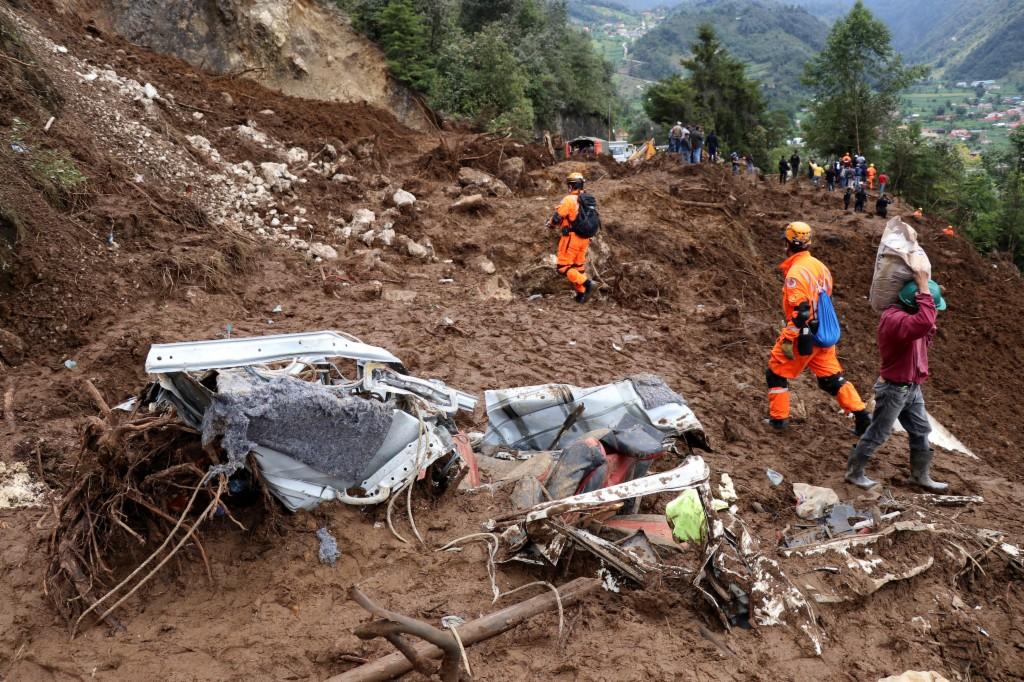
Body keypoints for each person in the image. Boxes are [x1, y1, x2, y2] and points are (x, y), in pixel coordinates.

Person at [845, 271, 949, 490]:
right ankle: (854, 472)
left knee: (921, 431)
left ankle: (920, 475)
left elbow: (924, 328)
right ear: (914, 304)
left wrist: (927, 302)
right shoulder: (895, 320)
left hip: (912, 387)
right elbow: (924, 321)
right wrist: (923, 288)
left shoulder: (908, 319)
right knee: (878, 433)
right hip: (893, 389)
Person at [765, 222, 872, 433]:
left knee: (775, 373)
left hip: (804, 335)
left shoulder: (796, 273)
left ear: (787, 244)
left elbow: (801, 311)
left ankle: (779, 420)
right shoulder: (820, 267)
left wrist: (789, 339)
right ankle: (862, 415)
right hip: (823, 334)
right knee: (831, 379)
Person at [547, 172, 596, 304]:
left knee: (563, 267)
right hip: (585, 239)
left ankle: (588, 284)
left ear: (571, 186)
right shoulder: (588, 199)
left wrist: (550, 223)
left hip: (571, 238)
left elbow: (558, 218)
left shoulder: (569, 200)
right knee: (578, 267)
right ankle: (581, 294)